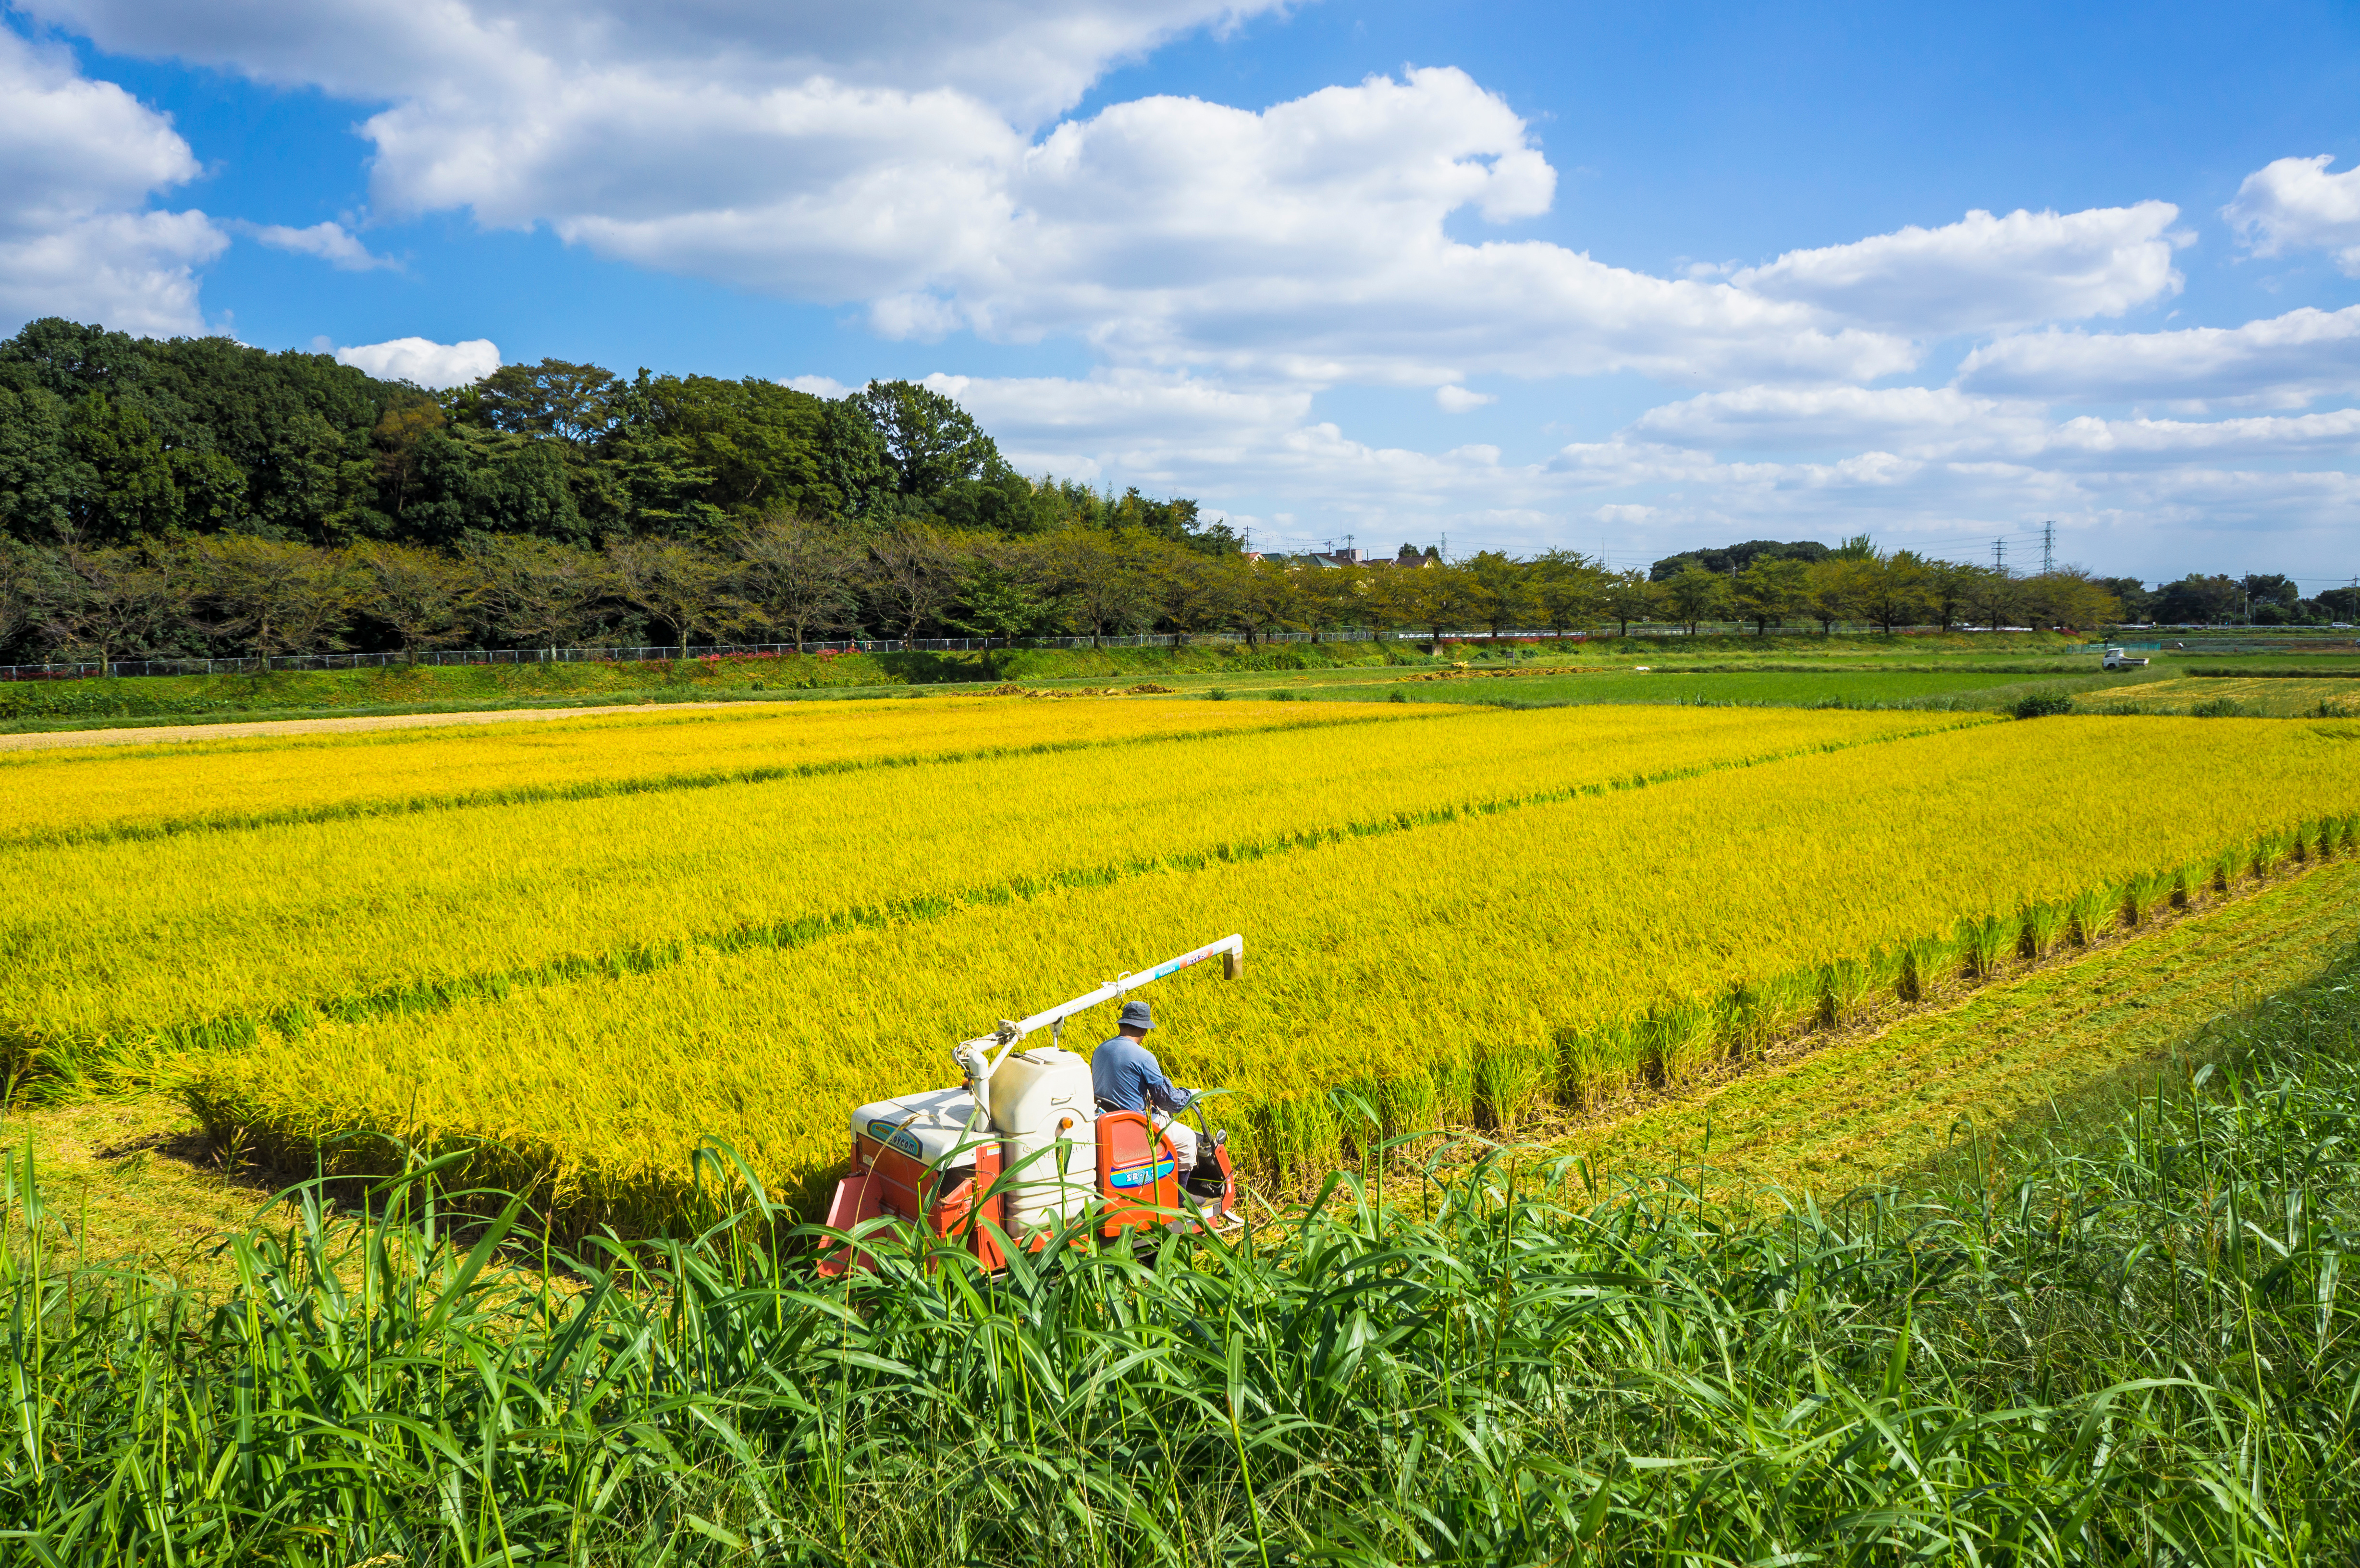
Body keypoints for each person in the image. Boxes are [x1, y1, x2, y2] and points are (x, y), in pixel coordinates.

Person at [1090, 999, 1198, 1176]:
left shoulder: (1100, 1049)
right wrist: (1190, 1096)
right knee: (1187, 1139)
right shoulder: (1145, 1057)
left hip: (1107, 1120)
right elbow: (1166, 1100)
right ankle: (1181, 1199)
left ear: (1123, 1024)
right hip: (1134, 1124)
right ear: (1143, 1029)